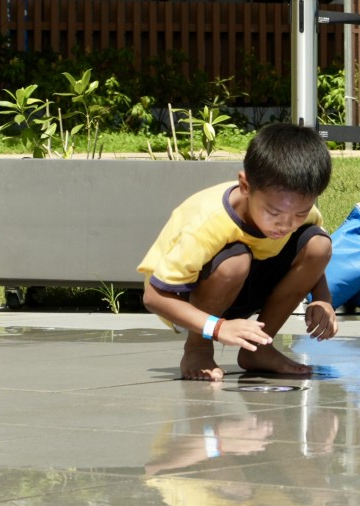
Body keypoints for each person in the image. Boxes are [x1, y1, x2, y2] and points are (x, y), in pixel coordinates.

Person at [137, 122, 338, 382]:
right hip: (185, 301)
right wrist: (217, 328)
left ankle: (259, 348)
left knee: (319, 243)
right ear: (245, 185)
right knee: (236, 261)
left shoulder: (297, 213)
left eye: (299, 213)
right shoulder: (207, 221)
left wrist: (323, 298)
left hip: (245, 288)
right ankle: (197, 348)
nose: (285, 224)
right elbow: (153, 297)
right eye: (273, 213)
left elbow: (311, 257)